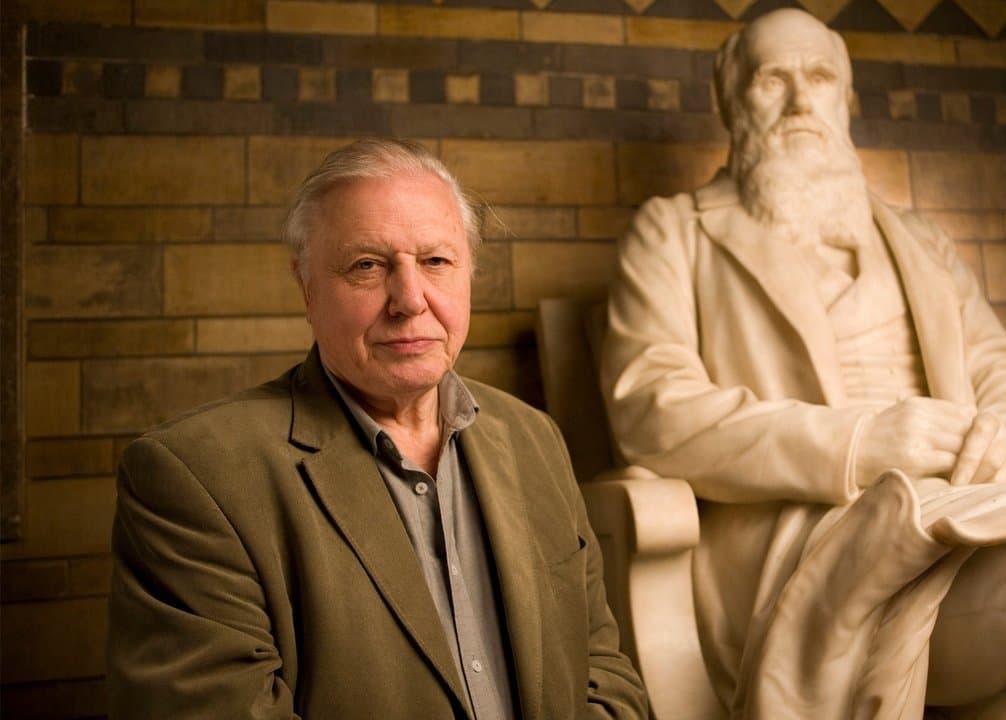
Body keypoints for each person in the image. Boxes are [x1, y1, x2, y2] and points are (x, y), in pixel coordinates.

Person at [600, 9, 1006, 719]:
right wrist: (860, 442)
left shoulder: (919, 238)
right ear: (731, 100)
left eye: (819, 77)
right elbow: (651, 406)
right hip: (812, 543)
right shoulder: (673, 232)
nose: (800, 100)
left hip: (973, 514)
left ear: (845, 98)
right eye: (773, 79)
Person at [108, 139, 648, 719]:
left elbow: (603, 672)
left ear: (469, 276)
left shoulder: (534, 437)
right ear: (308, 288)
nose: (410, 300)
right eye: (367, 266)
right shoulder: (195, 476)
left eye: (436, 261)